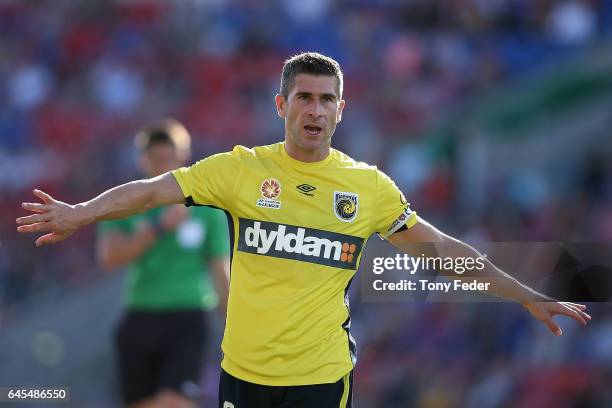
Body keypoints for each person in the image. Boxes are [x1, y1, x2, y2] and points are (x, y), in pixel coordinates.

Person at [16, 52, 591, 408]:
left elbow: (439, 251)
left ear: (341, 111)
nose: (315, 110)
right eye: (304, 98)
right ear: (281, 104)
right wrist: (81, 212)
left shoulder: (368, 188)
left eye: (326, 100)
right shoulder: (239, 170)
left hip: (319, 378)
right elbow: (149, 190)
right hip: (241, 374)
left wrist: (526, 295)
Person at [98, 120, 231, 408]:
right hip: (141, 314)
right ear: (142, 160)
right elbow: (108, 256)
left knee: (175, 402)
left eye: (169, 159)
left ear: (184, 156)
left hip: (188, 317)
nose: (162, 167)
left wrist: (234, 327)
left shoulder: (207, 208)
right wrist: (157, 229)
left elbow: (220, 271)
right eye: (156, 159)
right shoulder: (126, 203)